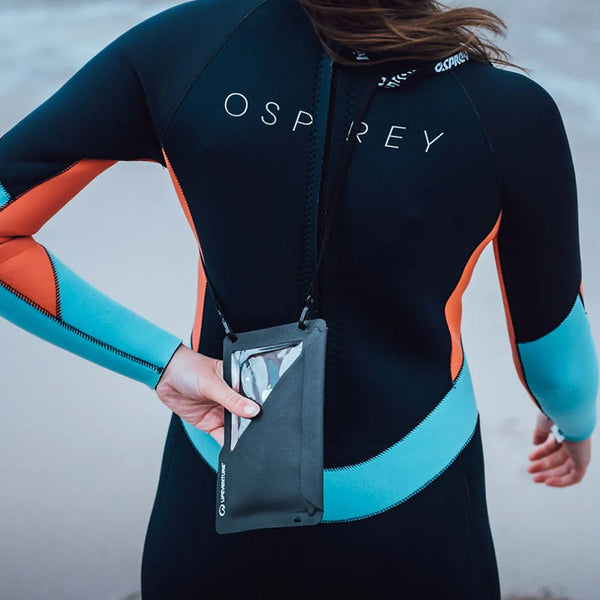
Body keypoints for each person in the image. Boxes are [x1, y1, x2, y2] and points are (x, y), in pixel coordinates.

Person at [0, 0, 597, 598]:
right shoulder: (508, 111)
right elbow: (554, 354)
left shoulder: (188, 46)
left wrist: (164, 363)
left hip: (217, 480)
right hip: (419, 503)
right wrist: (574, 427)